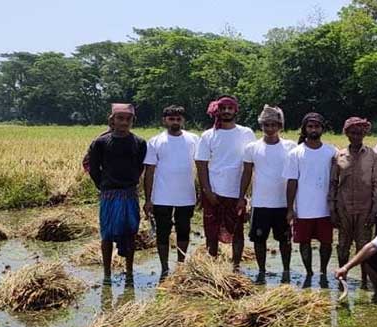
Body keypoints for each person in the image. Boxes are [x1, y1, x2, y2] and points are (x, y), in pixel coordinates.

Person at [87, 103, 147, 284]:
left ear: (132, 121)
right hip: (109, 194)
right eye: (120, 118)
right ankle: (106, 273)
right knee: (107, 234)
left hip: (129, 194)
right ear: (112, 120)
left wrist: (130, 182)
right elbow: (93, 167)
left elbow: (139, 167)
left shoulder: (139, 143)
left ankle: (129, 270)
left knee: (130, 232)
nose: (124, 122)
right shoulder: (101, 143)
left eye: (128, 119)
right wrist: (102, 184)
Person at [194, 95, 255, 270]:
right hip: (214, 192)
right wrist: (207, 191)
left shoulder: (246, 133)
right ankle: (212, 267)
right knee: (211, 232)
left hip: (236, 191)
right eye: (223, 108)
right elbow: (201, 164)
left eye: (230, 108)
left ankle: (235, 266)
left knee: (237, 231)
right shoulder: (208, 135)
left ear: (236, 111)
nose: (226, 111)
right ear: (217, 111)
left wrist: (243, 195)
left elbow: (249, 164)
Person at [239, 105, 296, 284]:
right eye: (266, 125)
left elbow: (295, 177)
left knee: (285, 240)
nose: (270, 129)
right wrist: (242, 197)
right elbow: (246, 173)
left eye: (274, 125)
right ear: (261, 125)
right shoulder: (251, 148)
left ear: (280, 126)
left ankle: (286, 271)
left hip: (283, 203)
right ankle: (262, 271)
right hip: (261, 202)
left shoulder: (291, 147)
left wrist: (293, 206)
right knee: (259, 239)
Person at [142, 105, 199, 277]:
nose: (175, 122)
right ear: (164, 120)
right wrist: (148, 199)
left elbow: (202, 166)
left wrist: (202, 191)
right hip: (161, 197)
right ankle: (164, 267)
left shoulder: (194, 139)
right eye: (171, 119)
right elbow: (149, 172)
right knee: (162, 232)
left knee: (184, 230)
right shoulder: (155, 142)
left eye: (178, 118)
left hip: (186, 195)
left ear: (183, 120)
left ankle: (180, 266)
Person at [283, 112, 338, 286]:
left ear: (322, 128)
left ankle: (323, 271)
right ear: (304, 129)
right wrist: (290, 208)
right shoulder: (296, 153)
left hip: (325, 208)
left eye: (317, 126)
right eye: (310, 126)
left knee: (326, 242)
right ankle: (308, 272)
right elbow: (292, 182)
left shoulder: (332, 152)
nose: (313, 129)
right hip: (304, 208)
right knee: (304, 242)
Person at [328, 116, 377, 289]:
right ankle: (341, 279)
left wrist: (374, 211)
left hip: (365, 209)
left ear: (364, 133)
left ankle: (365, 282)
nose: (356, 136)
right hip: (343, 209)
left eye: (359, 132)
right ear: (346, 133)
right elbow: (333, 184)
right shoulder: (339, 155)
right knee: (343, 247)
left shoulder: (373, 156)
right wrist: (332, 210)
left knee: (364, 247)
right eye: (352, 132)